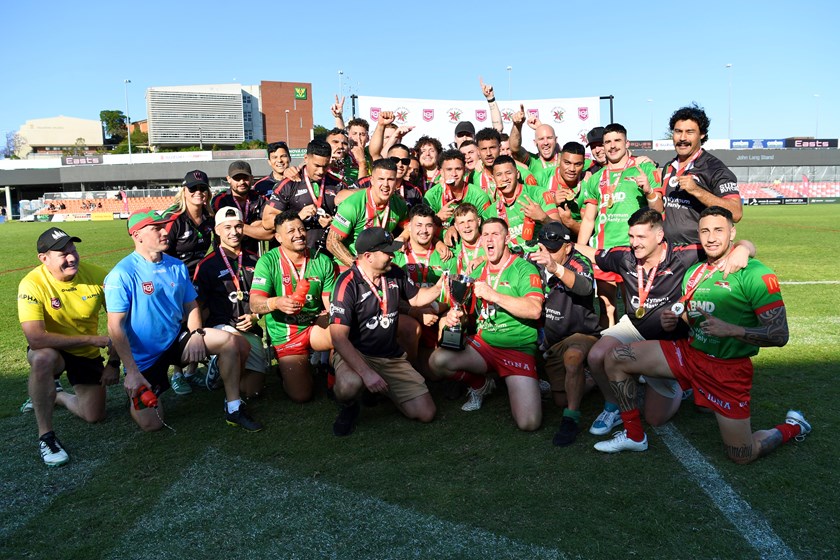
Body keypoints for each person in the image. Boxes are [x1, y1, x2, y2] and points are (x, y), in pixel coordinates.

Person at [593, 207, 811, 463]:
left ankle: (794, 426)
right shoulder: (695, 272)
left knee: (742, 454)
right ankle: (634, 435)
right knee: (616, 357)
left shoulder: (756, 274)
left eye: (718, 230)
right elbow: (691, 315)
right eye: (705, 231)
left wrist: (733, 330)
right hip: (689, 354)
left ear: (733, 232)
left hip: (727, 371)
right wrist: (677, 319)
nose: (711, 238)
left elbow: (779, 335)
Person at [575, 207, 755, 436]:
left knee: (655, 419)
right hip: (634, 327)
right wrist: (566, 244)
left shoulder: (685, 255)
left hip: (668, 339)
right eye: (631, 236)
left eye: (641, 237)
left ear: (659, 236)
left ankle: (680, 382)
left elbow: (730, 245)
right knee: (596, 356)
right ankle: (613, 407)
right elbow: (594, 253)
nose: (634, 243)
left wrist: (744, 249)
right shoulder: (625, 257)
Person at [104, 208, 262, 432]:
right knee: (152, 424)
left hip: (177, 339)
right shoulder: (122, 274)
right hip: (144, 357)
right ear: (137, 235)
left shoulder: (175, 265)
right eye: (156, 228)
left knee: (233, 342)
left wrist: (197, 335)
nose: (164, 232)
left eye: (164, 226)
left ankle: (234, 407)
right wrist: (131, 372)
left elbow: (191, 306)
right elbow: (115, 327)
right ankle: (135, 392)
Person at [429, 218, 545, 431]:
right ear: (481, 241)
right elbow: (467, 313)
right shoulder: (477, 272)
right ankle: (481, 385)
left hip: (516, 348)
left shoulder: (524, 269)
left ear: (507, 238)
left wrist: (494, 295)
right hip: (485, 345)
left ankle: (529, 378)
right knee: (437, 361)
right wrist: (457, 317)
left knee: (529, 423)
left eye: (496, 234)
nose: (490, 239)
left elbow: (534, 309)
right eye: (486, 235)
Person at [329, 227, 445, 436]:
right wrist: (367, 373)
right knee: (349, 385)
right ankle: (349, 404)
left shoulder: (394, 273)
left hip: (390, 356)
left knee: (426, 413)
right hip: (357, 355)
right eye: (387, 252)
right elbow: (338, 338)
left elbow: (416, 299)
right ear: (368, 256)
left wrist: (440, 287)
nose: (393, 255)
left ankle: (384, 391)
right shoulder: (347, 283)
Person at [18, 228, 118, 466]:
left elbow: (120, 322)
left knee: (94, 416)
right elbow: (36, 339)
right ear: (44, 259)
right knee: (43, 358)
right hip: (53, 349)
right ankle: (46, 437)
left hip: (85, 355)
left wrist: (113, 362)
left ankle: (56, 395)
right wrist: (91, 340)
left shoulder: (97, 276)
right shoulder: (31, 284)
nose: (72, 257)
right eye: (62, 253)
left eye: (73, 250)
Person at [577, 123, 664, 329]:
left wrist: (649, 191)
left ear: (626, 143)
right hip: (603, 251)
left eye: (617, 141)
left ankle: (635, 351)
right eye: (608, 142)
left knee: (632, 306)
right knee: (606, 306)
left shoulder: (644, 168)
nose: (612, 146)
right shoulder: (596, 178)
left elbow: (659, 210)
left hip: (632, 250)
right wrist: (580, 250)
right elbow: (589, 219)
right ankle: (609, 352)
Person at [249, 210, 336, 402]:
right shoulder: (268, 261)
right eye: (291, 231)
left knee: (341, 331)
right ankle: (289, 367)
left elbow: (330, 303)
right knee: (302, 395)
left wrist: (329, 315)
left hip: (314, 326)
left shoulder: (321, 259)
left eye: (301, 229)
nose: (299, 234)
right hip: (286, 332)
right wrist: (275, 302)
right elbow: (255, 304)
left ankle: (333, 378)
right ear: (278, 237)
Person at [527, 222, 600, 446]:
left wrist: (555, 268)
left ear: (568, 247)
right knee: (560, 398)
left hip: (580, 335)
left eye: (553, 249)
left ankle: (571, 419)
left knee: (574, 357)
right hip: (551, 341)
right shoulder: (533, 261)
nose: (546, 254)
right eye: (544, 248)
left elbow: (585, 287)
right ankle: (592, 379)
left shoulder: (580, 262)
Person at [193, 207, 266, 397]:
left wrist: (256, 315)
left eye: (238, 226)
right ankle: (218, 360)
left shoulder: (256, 260)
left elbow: (266, 297)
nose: (234, 232)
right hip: (221, 327)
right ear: (217, 230)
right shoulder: (207, 265)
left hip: (250, 328)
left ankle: (225, 369)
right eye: (227, 227)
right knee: (238, 345)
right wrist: (198, 337)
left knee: (252, 391)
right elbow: (198, 305)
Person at [161, 169, 215, 395]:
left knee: (204, 318)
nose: (198, 192)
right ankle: (177, 373)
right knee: (179, 324)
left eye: (202, 188)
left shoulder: (209, 219)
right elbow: (161, 254)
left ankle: (192, 369)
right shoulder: (174, 219)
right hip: (175, 281)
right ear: (184, 191)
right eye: (193, 188)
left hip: (200, 280)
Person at [661, 104, 742, 244]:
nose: (682, 138)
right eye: (678, 131)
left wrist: (697, 191)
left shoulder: (714, 168)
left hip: (699, 253)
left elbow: (736, 213)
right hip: (670, 254)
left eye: (690, 132)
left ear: (702, 134)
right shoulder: (669, 167)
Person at [392, 204, 451, 375]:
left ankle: (453, 375)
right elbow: (388, 297)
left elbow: (453, 295)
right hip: (407, 315)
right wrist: (415, 312)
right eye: (418, 225)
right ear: (409, 227)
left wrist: (433, 308)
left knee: (435, 375)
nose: (424, 231)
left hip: (436, 314)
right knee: (408, 328)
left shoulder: (446, 255)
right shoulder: (395, 255)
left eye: (428, 225)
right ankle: (405, 374)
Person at [262, 139, 345, 254]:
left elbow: (351, 218)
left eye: (325, 166)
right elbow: (267, 222)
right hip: (297, 256)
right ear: (306, 158)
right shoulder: (289, 184)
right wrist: (297, 217)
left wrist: (334, 222)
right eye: (316, 165)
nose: (321, 171)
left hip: (330, 254)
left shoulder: (338, 185)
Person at [327, 158, 409, 269]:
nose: (386, 184)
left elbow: (411, 226)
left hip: (380, 262)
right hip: (351, 263)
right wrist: (358, 267)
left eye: (390, 179)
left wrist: (403, 237)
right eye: (381, 179)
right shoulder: (352, 205)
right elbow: (332, 242)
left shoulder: (399, 204)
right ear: (372, 180)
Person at [484, 155, 559, 254]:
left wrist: (543, 218)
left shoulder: (538, 194)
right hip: (514, 262)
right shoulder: (491, 211)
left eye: (508, 173)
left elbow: (559, 230)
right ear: (493, 179)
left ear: (518, 174)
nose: (504, 178)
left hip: (542, 255)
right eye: (499, 175)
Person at [211, 161, 273, 254]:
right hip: (225, 255)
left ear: (252, 178)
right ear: (228, 179)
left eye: (245, 178)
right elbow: (221, 232)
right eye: (237, 178)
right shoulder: (220, 200)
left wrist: (235, 225)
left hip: (252, 255)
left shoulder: (260, 199)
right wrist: (253, 227)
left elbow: (269, 233)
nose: (242, 182)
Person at [423, 150, 492, 230]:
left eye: (458, 169)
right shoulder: (431, 195)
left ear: (464, 170)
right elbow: (424, 229)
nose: (454, 174)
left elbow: (487, 228)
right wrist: (437, 218)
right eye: (449, 169)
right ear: (441, 172)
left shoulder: (479, 196)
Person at [538, 141, 588, 237]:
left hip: (574, 240)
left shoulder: (588, 184)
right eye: (567, 163)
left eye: (578, 164)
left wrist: (570, 222)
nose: (572, 169)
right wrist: (552, 204)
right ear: (559, 159)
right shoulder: (542, 177)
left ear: (583, 164)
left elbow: (590, 231)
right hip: (545, 237)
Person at [471, 128, 537, 200]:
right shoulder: (473, 177)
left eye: (492, 148)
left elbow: (536, 198)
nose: (488, 153)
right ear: (478, 151)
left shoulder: (523, 173)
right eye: (484, 149)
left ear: (499, 148)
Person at [509, 103, 560, 176]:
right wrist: (517, 126)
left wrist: (540, 127)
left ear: (556, 140)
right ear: (535, 142)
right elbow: (514, 148)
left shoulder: (565, 159)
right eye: (541, 139)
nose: (546, 142)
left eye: (549, 138)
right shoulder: (532, 160)